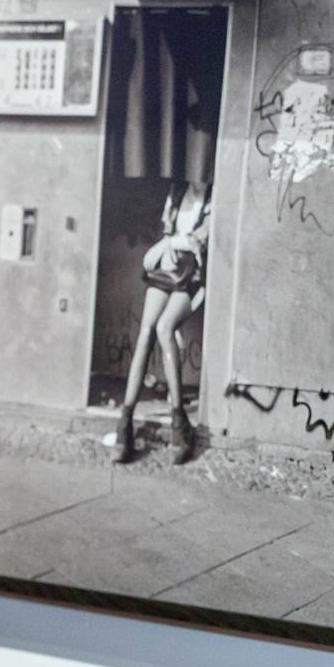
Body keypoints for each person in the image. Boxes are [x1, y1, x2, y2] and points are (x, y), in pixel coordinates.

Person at [116, 181, 210, 465]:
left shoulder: (214, 199)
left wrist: (177, 243)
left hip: (191, 278)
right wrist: (172, 243)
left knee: (164, 328)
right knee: (145, 332)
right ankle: (125, 424)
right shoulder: (177, 192)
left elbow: (200, 243)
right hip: (167, 272)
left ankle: (178, 424)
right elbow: (170, 241)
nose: (197, 175)